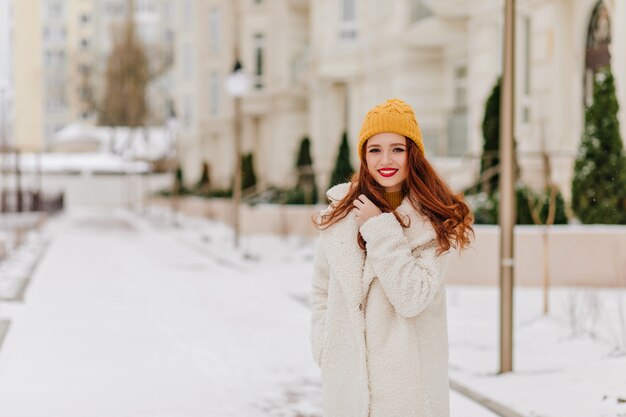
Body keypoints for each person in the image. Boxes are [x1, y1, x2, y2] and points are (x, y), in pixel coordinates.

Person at [310, 98, 474, 417]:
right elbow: (321, 289)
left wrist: (379, 228)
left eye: (397, 149)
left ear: (413, 154)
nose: (386, 159)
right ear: (363, 156)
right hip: (348, 388)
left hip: (409, 392)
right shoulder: (338, 217)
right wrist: (325, 346)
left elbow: (412, 297)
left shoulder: (436, 223)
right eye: (375, 149)